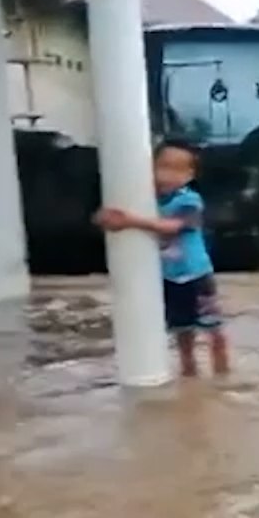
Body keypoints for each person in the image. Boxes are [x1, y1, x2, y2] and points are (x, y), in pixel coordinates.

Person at [93, 139, 229, 377]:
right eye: (163, 167)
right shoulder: (146, 200)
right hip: (168, 278)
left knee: (213, 330)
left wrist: (129, 221)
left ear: (190, 175)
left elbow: (171, 227)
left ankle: (223, 376)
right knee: (182, 332)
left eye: (178, 169)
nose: (168, 175)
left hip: (196, 276)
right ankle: (190, 375)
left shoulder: (189, 201)